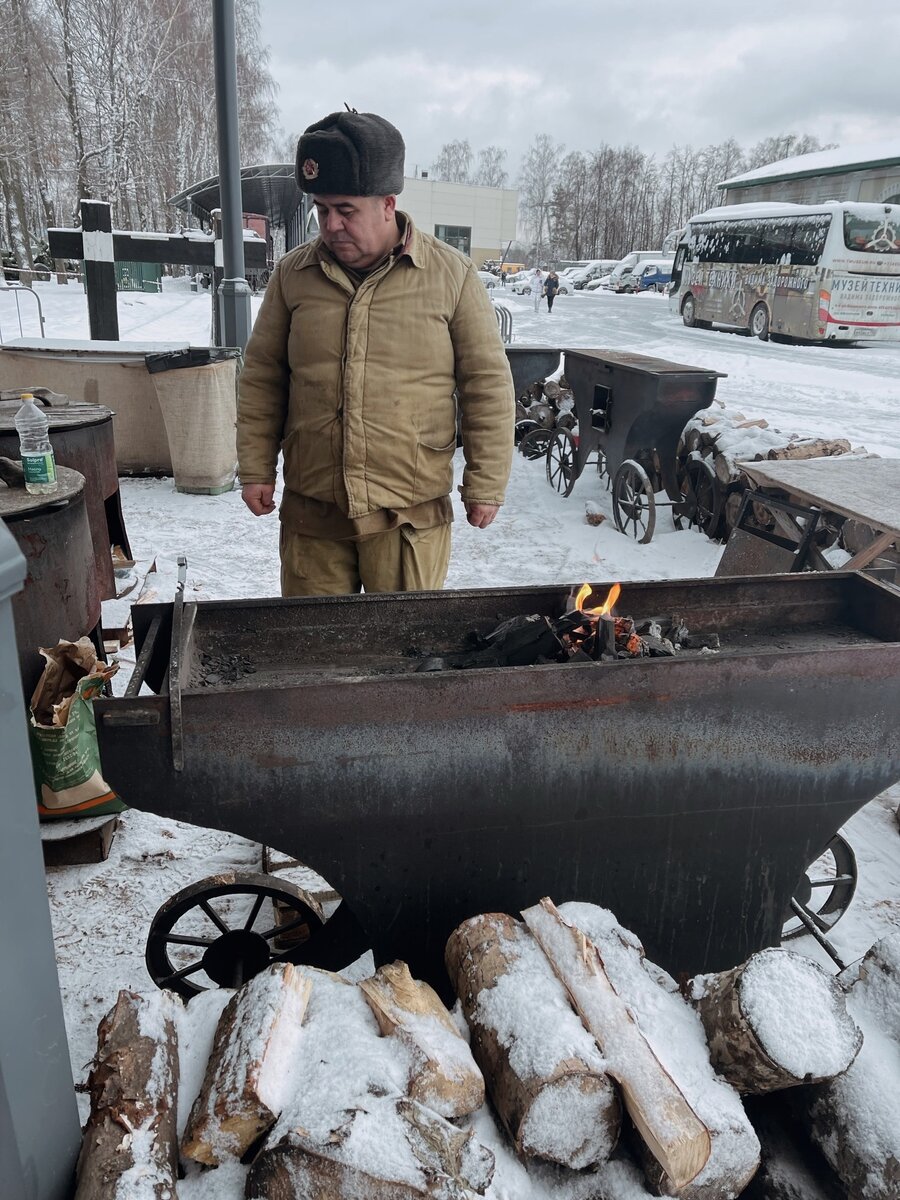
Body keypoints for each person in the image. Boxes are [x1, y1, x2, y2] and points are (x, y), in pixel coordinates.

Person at [237, 110, 514, 597]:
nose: (331, 224)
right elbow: (263, 377)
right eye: (321, 210)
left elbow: (486, 383)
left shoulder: (450, 276)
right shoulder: (292, 276)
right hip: (314, 512)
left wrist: (485, 482)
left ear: (388, 204)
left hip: (410, 515)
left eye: (346, 210)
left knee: (403, 657)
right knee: (314, 651)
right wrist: (257, 468)